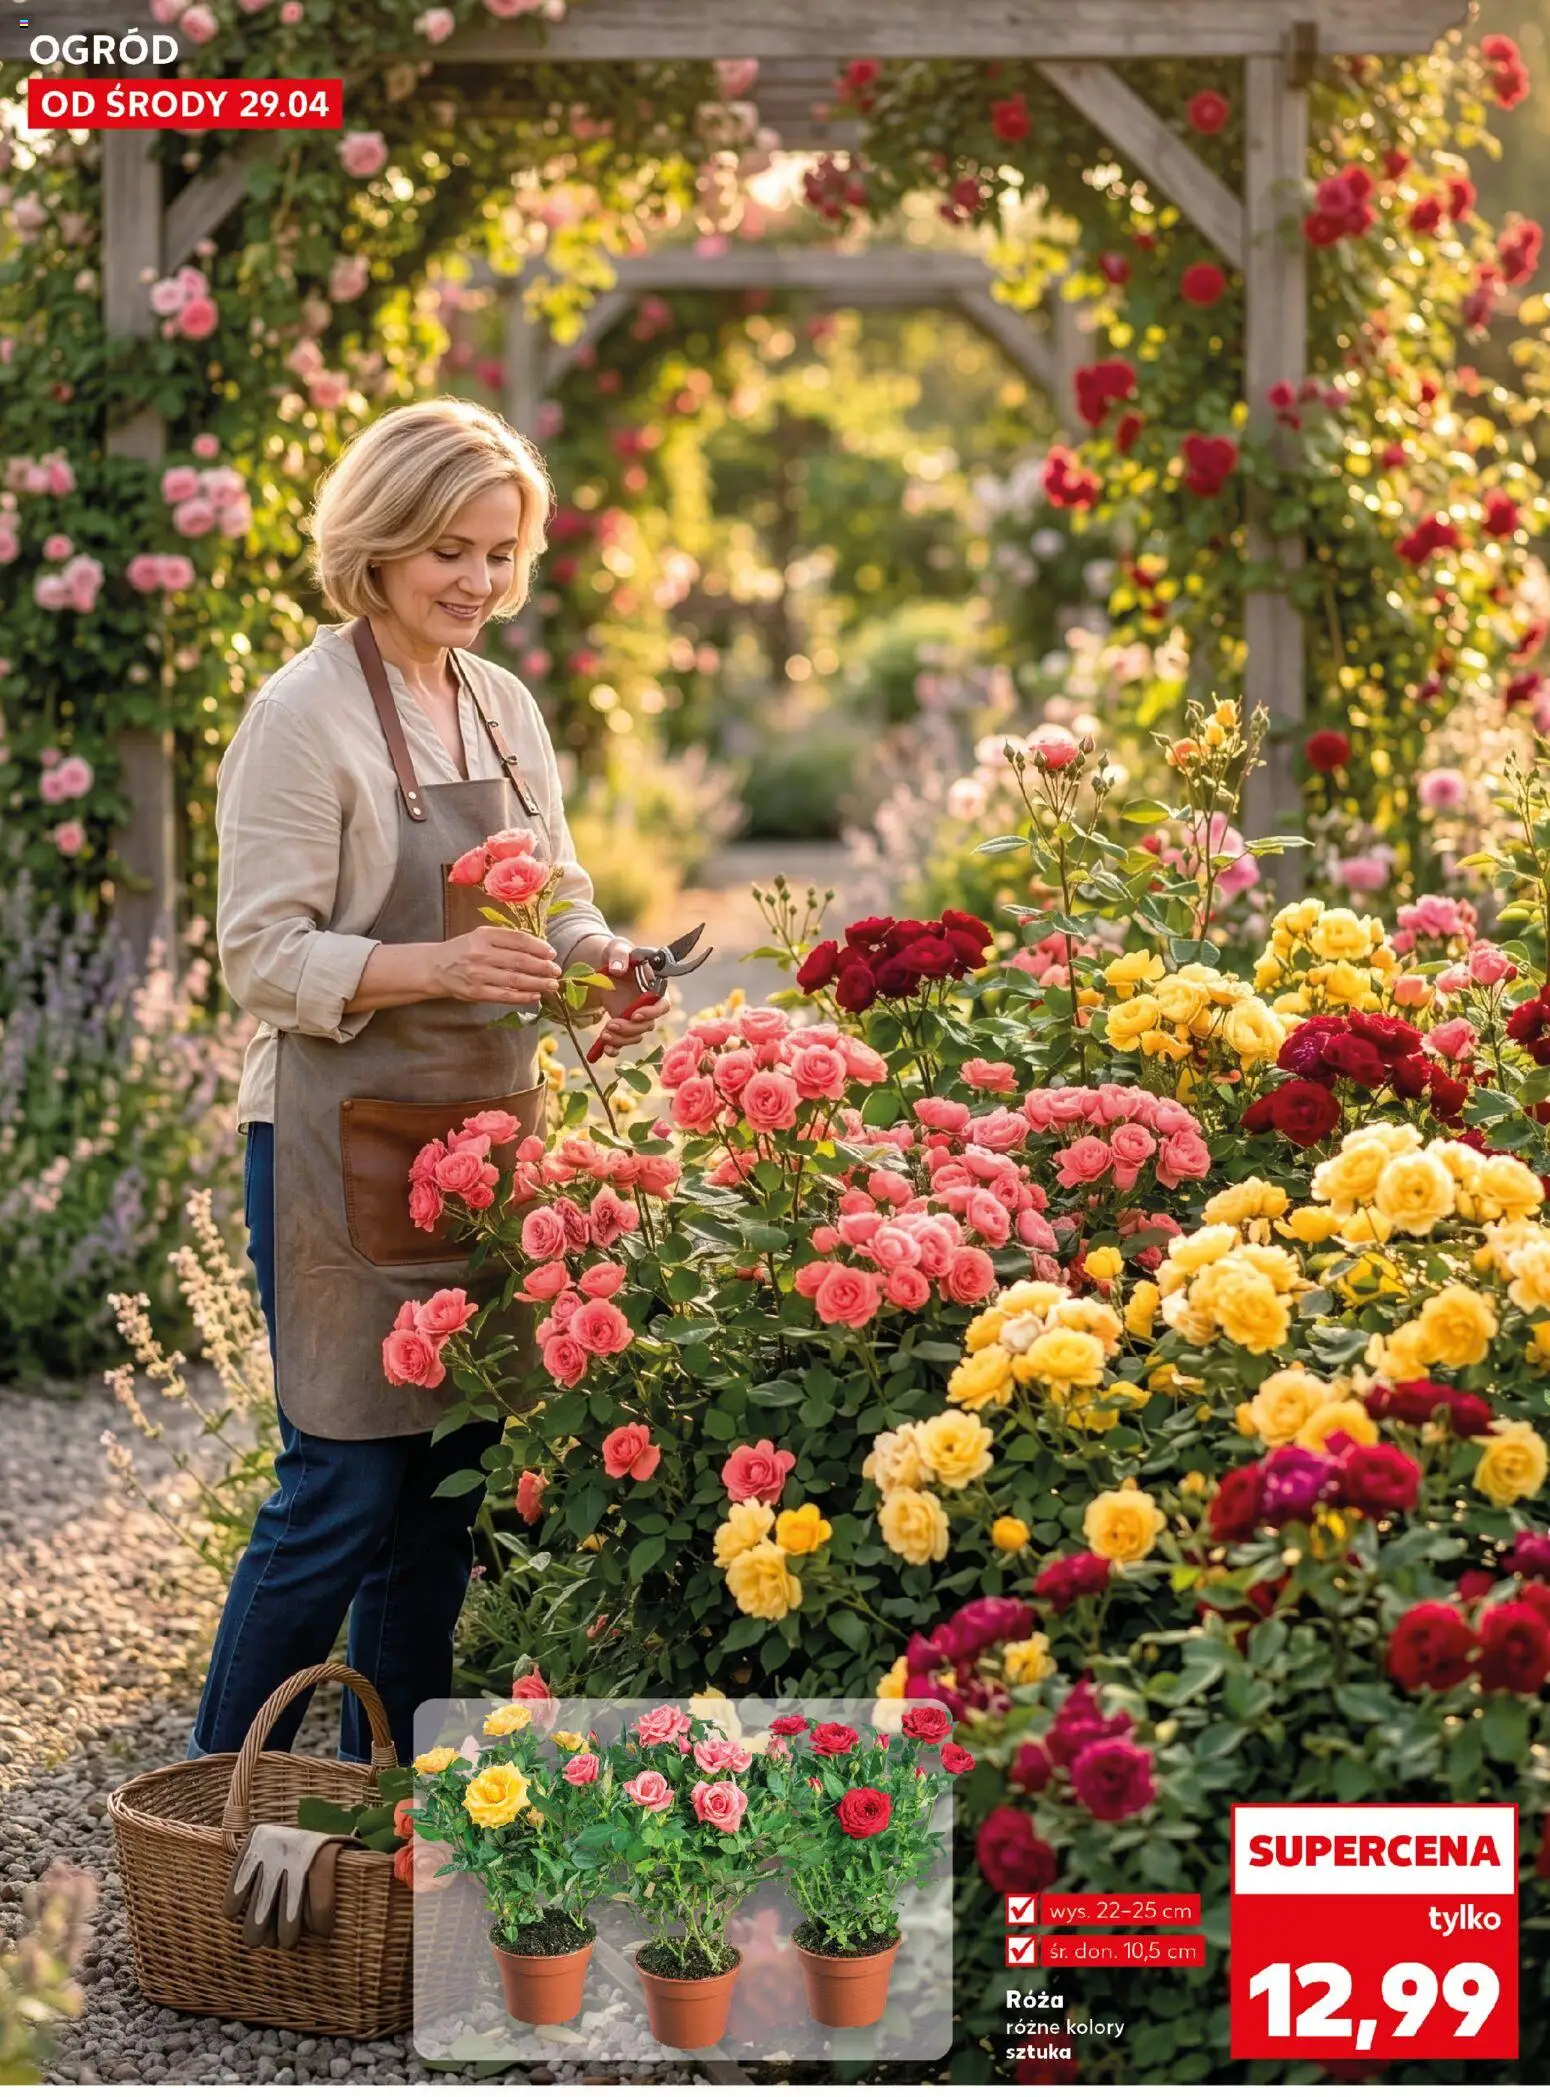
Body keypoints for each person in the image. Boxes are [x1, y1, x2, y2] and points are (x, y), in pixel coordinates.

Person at [188, 399, 666, 1764]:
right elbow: (259, 958)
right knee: (339, 1482)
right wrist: (443, 967)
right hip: (337, 1145)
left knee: (444, 1486)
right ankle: (213, 1803)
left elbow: (555, 896)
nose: (477, 581)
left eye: (502, 554)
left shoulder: (498, 703)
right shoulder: (301, 716)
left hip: (481, 1135)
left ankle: (373, 1811)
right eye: (449, 550)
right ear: (380, 543)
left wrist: (601, 966)